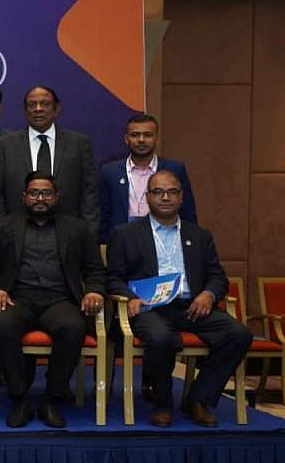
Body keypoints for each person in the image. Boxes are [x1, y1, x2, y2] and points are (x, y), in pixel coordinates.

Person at [107, 170, 250, 428]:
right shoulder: (125, 234)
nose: (165, 197)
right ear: (147, 198)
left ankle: (198, 398)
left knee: (239, 334)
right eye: (158, 192)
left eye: (171, 192)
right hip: (149, 308)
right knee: (160, 337)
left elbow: (218, 277)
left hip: (191, 307)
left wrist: (209, 294)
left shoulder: (200, 235)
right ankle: (162, 404)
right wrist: (129, 297)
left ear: (181, 197)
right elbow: (113, 278)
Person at [0, 172, 106, 429]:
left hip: (60, 300)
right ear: (24, 197)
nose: (40, 198)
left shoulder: (77, 228)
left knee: (73, 327)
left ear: (56, 197)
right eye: (34, 193)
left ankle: (52, 398)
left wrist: (95, 291)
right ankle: (19, 397)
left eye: (46, 193)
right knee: (3, 326)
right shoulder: (4, 226)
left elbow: (95, 269)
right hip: (17, 299)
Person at [0, 86, 98, 233]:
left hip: (69, 235)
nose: (38, 109)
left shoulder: (79, 143)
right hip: (16, 235)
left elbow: (89, 193)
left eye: (45, 104)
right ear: (25, 111)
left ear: (57, 108)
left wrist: (88, 234)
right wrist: (1, 232)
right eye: (32, 105)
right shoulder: (5, 145)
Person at [99, 113, 197, 243]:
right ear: (126, 139)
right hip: (122, 243)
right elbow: (103, 216)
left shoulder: (174, 168)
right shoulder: (110, 171)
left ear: (157, 138)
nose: (141, 140)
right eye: (135, 135)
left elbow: (187, 212)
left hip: (165, 241)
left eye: (147, 135)